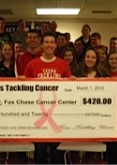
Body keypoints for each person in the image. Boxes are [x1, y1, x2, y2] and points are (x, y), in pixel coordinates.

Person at [23, 32, 71, 164]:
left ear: (56, 45)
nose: (49, 45)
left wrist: (73, 82)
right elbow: (25, 90)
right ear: (42, 44)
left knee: (57, 154)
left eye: (52, 42)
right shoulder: (32, 64)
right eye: (46, 42)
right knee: (40, 152)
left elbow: (69, 91)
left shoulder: (63, 65)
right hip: (38, 115)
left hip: (58, 116)